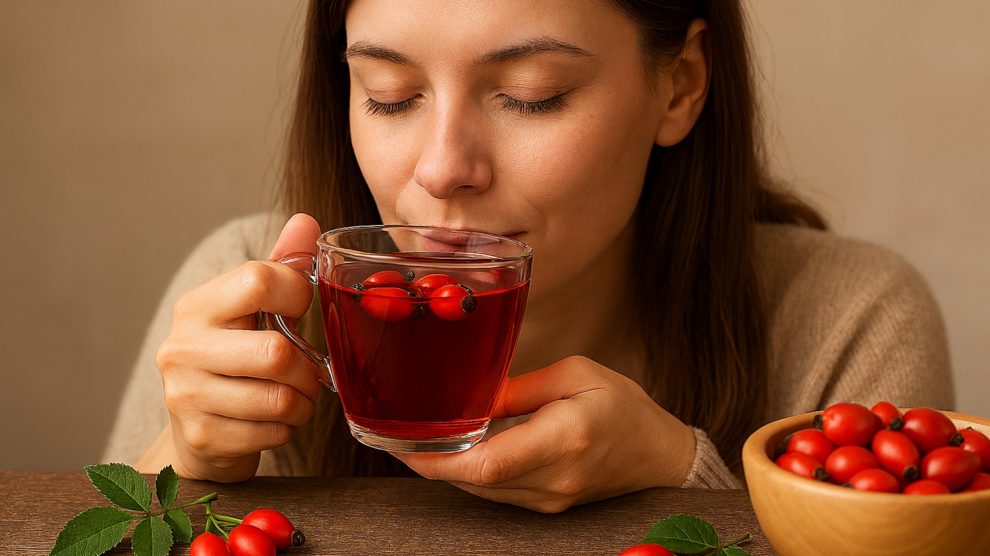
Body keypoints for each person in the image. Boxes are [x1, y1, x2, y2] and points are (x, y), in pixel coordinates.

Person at [102, 0, 953, 513]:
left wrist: (679, 481)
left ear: (681, 83)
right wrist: (184, 462)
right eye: (389, 97)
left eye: (529, 96)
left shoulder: (845, 320)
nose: (440, 169)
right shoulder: (256, 300)